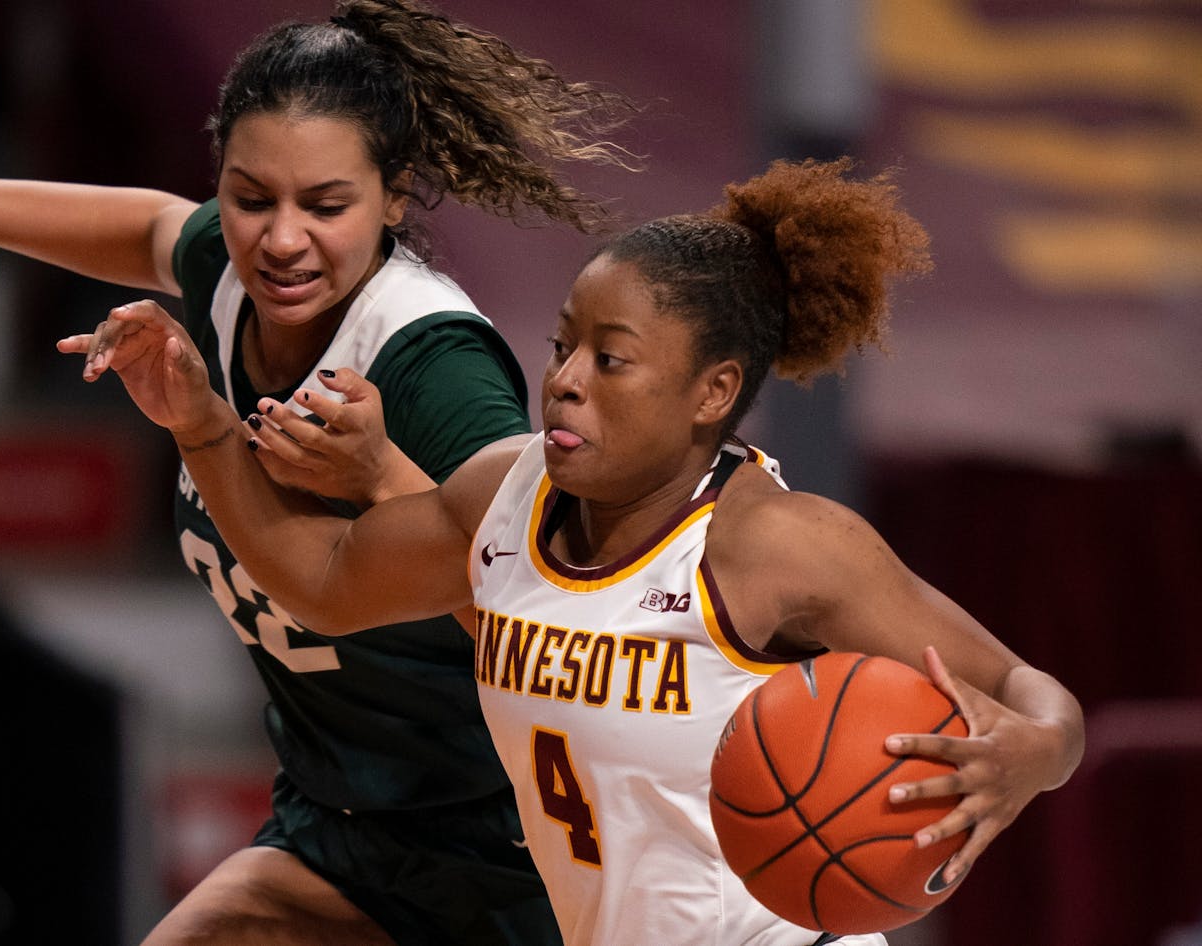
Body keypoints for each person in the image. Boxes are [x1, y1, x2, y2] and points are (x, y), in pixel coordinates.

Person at [59, 156, 1087, 945]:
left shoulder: (779, 544)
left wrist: (1028, 753)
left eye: (610, 360)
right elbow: (323, 583)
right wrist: (199, 426)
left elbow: (1027, 691)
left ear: (711, 393)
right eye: (560, 346)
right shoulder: (505, 490)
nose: (563, 380)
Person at [0, 1, 640, 941]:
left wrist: (387, 474)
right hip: (340, 828)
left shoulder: (432, 366)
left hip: (514, 852)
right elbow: (152, 229)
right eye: (249, 196)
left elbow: (554, 622)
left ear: (395, 196)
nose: (279, 238)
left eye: (325, 205)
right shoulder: (231, 278)